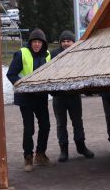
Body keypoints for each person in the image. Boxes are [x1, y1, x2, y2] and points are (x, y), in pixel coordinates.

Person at [6, 28, 54, 172]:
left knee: (45, 125)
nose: (37, 44)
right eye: (34, 42)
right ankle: (28, 157)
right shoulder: (22, 53)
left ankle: (40, 154)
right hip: (25, 97)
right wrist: (23, 85)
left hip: (41, 96)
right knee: (29, 128)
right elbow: (11, 74)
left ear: (43, 43)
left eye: (39, 42)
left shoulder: (47, 55)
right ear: (30, 42)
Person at [50, 31, 94, 162]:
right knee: (60, 124)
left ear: (73, 42)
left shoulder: (79, 53)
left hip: (74, 95)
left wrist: (87, 89)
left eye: (68, 41)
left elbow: (84, 71)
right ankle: (64, 150)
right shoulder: (53, 55)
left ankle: (81, 147)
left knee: (77, 122)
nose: (66, 44)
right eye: (63, 41)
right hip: (59, 96)